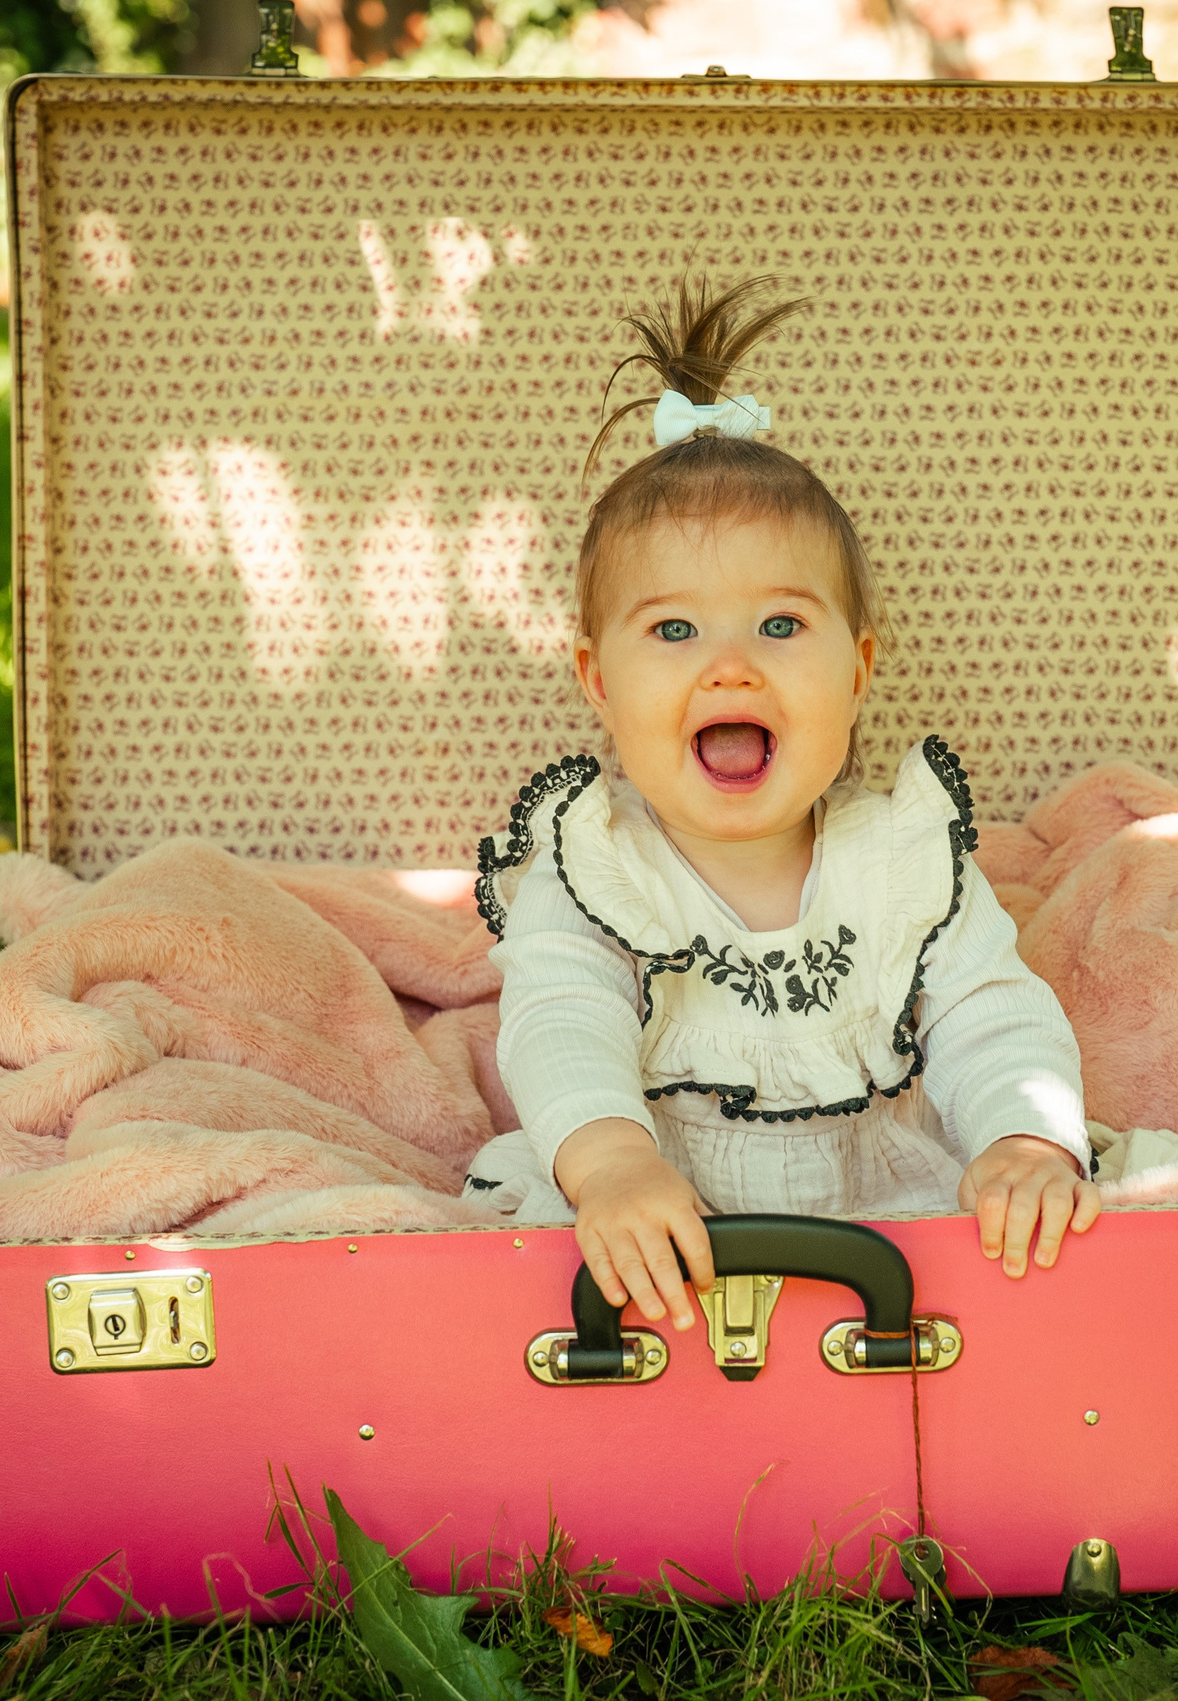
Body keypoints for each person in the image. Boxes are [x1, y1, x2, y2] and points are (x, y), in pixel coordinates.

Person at [466, 277, 1096, 1333]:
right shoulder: (597, 868)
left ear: (857, 671)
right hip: (647, 1196)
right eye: (672, 632)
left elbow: (991, 1009)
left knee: (1029, 1240)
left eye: (780, 627)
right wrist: (611, 1161)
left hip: (880, 1203)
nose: (728, 668)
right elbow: (557, 1019)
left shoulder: (903, 860)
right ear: (597, 680)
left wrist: (1025, 1137)